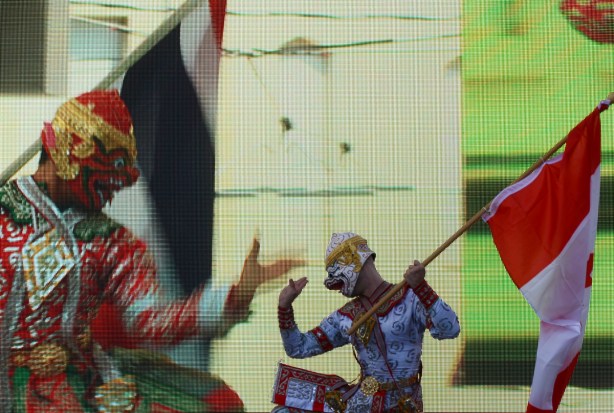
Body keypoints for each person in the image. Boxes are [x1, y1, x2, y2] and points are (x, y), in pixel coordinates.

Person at [0, 89, 303, 412]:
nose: (116, 189)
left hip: (74, 382)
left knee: (218, 404)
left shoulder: (111, 242)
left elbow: (149, 320)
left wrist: (237, 294)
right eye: (109, 174)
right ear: (69, 157)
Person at [272, 232, 460, 413]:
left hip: (402, 404)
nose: (336, 288)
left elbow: (450, 329)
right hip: (362, 404)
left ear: (353, 263)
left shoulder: (410, 298)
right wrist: (284, 308)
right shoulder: (345, 316)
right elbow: (298, 348)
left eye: (337, 281)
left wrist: (422, 287)